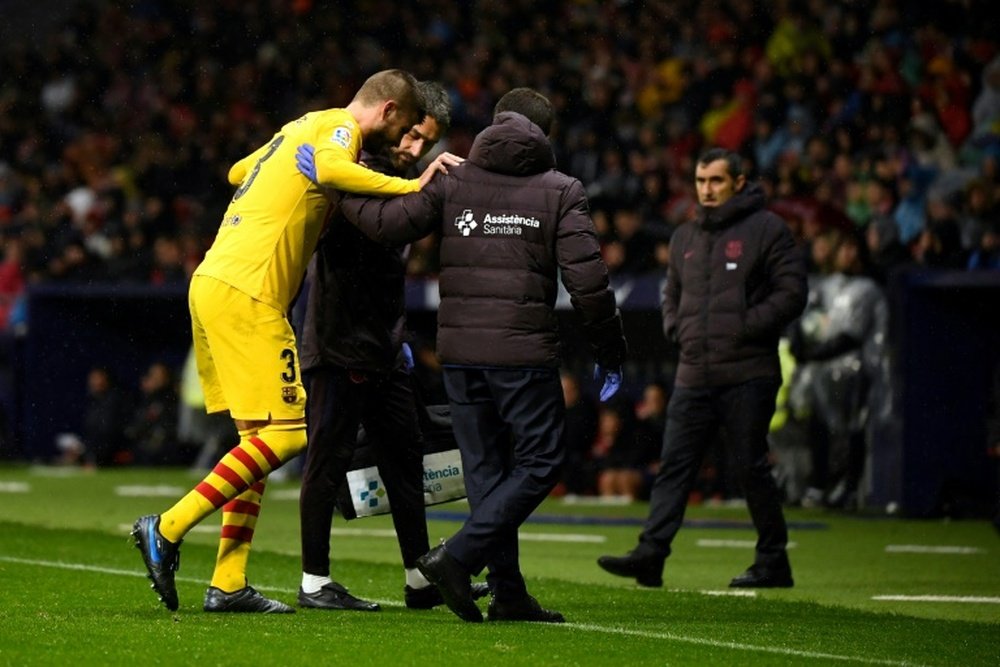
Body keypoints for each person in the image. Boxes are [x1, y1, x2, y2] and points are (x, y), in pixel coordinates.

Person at [131, 69, 454, 614]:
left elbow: (238, 171)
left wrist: (286, 176)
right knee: (287, 435)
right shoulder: (340, 131)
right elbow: (332, 165)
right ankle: (167, 527)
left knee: (254, 439)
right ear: (391, 109)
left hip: (213, 280)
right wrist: (411, 185)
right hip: (251, 291)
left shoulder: (299, 126)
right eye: (408, 129)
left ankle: (228, 582)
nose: (409, 144)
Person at [303, 87, 627, 623]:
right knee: (541, 462)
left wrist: (336, 186)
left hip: (459, 354)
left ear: (496, 123)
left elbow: (390, 226)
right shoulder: (561, 189)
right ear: (543, 135)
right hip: (522, 351)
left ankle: (508, 592)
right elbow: (588, 283)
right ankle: (456, 557)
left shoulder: (454, 178)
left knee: (485, 471)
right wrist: (609, 349)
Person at [296, 81, 486, 612]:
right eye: (412, 136)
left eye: (425, 143)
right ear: (397, 119)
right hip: (337, 342)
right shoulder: (352, 167)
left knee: (405, 462)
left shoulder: (391, 176)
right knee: (326, 461)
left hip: (382, 344)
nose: (415, 148)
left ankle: (419, 578)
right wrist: (427, 186)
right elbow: (386, 230)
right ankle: (314, 581)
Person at [597, 147, 806, 589]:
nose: (707, 190)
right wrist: (677, 329)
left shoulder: (767, 230)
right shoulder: (684, 238)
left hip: (748, 370)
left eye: (716, 181)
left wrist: (744, 328)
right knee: (674, 464)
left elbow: (792, 292)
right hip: (694, 371)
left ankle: (773, 561)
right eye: (700, 181)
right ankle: (651, 554)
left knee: (749, 465)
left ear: (738, 183)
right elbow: (669, 293)